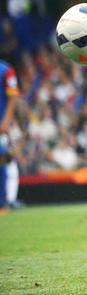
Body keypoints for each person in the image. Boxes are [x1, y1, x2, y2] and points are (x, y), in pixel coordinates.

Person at [0, 59, 19, 215]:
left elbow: (13, 96)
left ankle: (3, 202)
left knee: (3, 158)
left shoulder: (6, 70)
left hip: (1, 126)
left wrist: (5, 121)